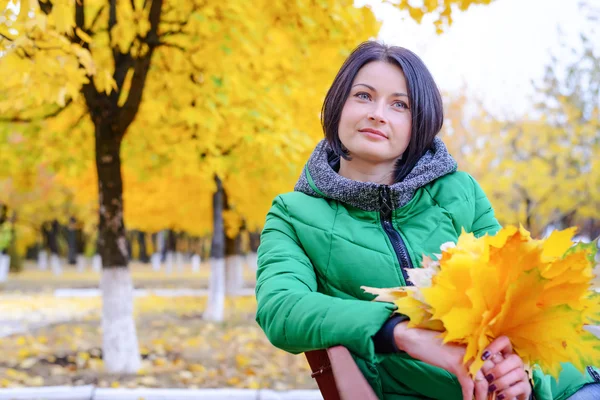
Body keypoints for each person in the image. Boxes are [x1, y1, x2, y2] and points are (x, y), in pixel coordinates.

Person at [255, 41, 599, 400]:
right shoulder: (293, 214)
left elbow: (516, 298)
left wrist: (524, 376)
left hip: (560, 388)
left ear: (418, 123)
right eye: (363, 96)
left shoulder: (459, 191)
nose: (378, 113)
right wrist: (401, 332)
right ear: (338, 105)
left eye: (399, 104)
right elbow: (281, 308)